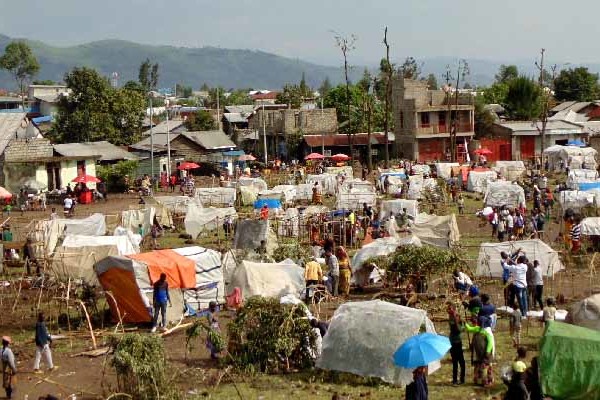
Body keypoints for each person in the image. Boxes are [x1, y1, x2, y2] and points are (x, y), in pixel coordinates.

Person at [465, 320, 494, 387]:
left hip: (485, 354)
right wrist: (465, 323)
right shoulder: (477, 328)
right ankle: (478, 380)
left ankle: (486, 381)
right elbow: (469, 328)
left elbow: (490, 342)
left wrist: (488, 351)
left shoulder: (487, 332)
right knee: (478, 366)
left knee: (485, 368)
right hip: (478, 353)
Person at [447, 302, 465, 386]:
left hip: (458, 342)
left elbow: (461, 328)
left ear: (454, 309)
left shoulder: (457, 317)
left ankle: (462, 379)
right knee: (455, 362)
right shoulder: (451, 318)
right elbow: (457, 329)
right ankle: (454, 380)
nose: (448, 310)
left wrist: (460, 321)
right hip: (453, 342)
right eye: (448, 309)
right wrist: (455, 318)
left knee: (461, 362)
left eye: (450, 308)